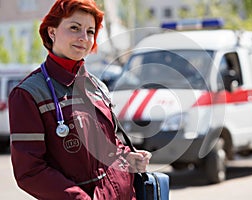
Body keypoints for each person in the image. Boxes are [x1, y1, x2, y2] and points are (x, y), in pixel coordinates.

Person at [8, 0, 151, 199]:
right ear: (52, 32)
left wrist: (128, 156)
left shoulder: (97, 87)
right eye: (74, 28)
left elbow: (109, 147)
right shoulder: (28, 94)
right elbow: (30, 172)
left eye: (90, 31)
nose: (84, 38)